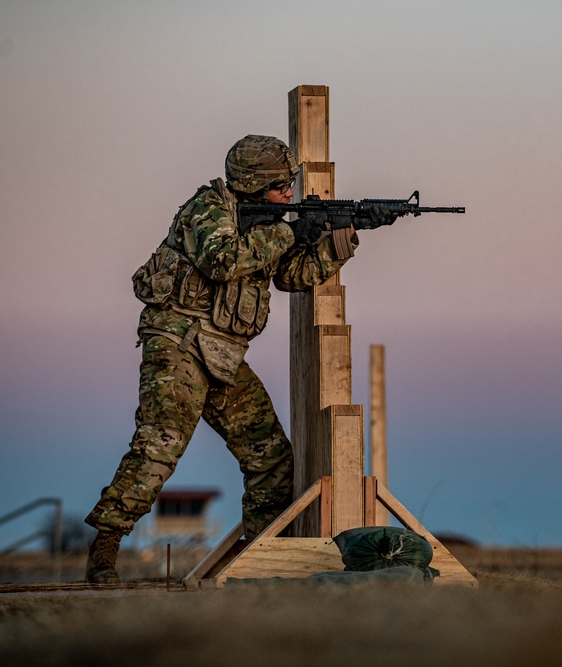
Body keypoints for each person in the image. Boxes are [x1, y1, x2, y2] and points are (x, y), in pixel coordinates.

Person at [83, 135, 359, 584]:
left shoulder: (268, 221)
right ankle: (106, 546)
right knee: (161, 442)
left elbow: (291, 275)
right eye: (280, 185)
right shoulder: (208, 209)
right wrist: (291, 230)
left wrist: (338, 242)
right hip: (180, 342)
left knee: (270, 458)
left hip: (224, 353)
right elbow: (222, 260)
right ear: (253, 186)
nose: (289, 193)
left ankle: (257, 557)